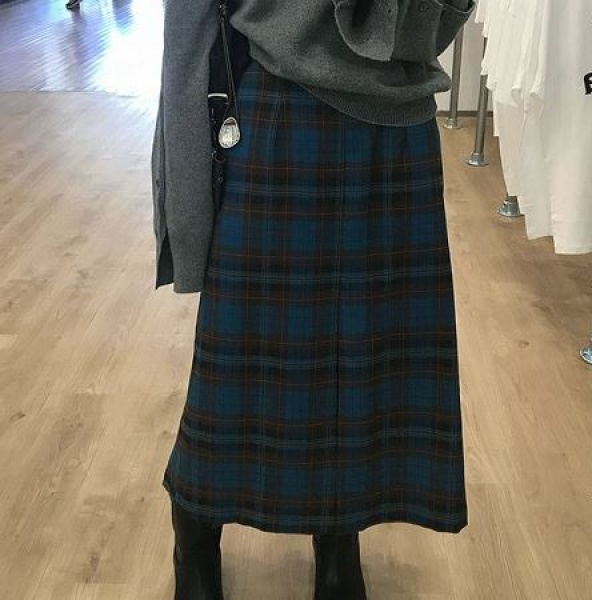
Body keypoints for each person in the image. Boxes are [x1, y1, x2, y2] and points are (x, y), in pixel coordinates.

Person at [151, 0, 476, 598]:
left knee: (368, 363)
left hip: (398, 118)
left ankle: (338, 536)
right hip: (277, 110)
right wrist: (185, 212)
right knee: (236, 369)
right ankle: (194, 534)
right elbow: (191, 28)